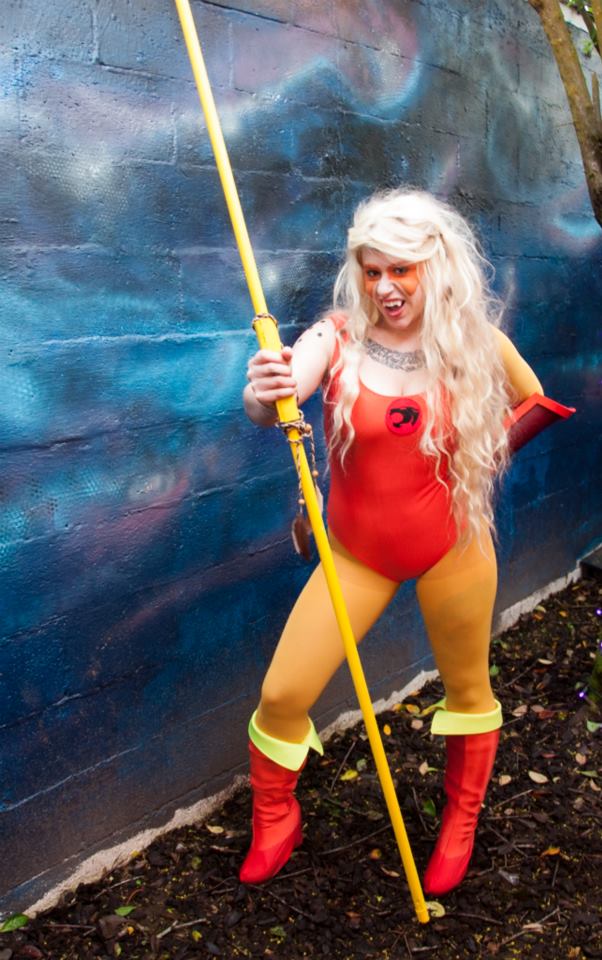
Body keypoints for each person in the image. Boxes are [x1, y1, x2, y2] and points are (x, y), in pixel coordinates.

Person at [240, 188, 543, 896]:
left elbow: (534, 402)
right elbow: (276, 399)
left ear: (435, 265)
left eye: (401, 270)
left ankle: (461, 819)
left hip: (454, 547)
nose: (385, 287)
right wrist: (263, 388)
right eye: (372, 271)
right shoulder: (336, 336)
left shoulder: (475, 343)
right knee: (282, 694)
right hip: (358, 556)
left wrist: (480, 457)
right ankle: (275, 817)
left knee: (468, 692)